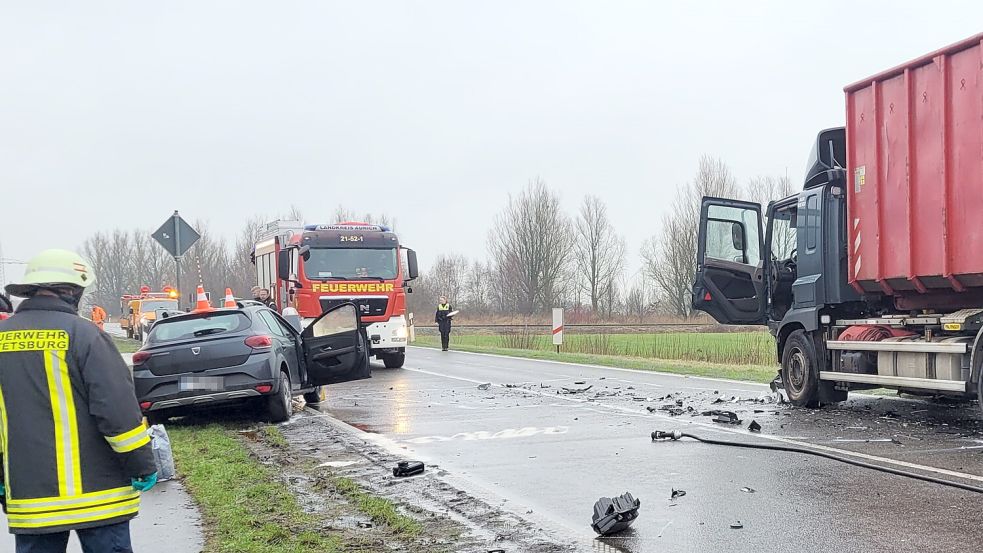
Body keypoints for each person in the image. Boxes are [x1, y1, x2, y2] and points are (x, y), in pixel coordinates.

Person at [0, 249, 157, 553]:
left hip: (31, 496)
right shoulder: (84, 335)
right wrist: (142, 463)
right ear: (72, 291)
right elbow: (116, 411)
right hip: (99, 496)